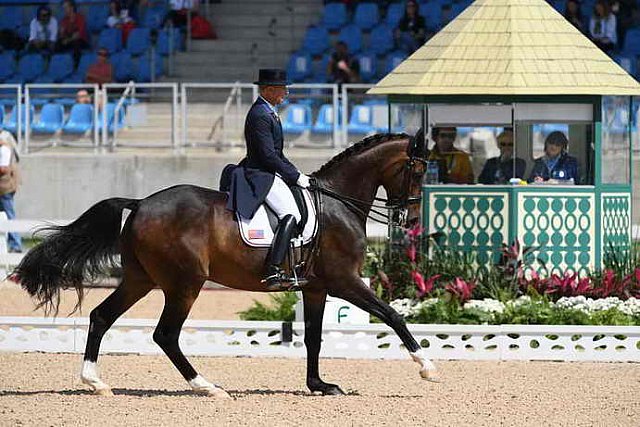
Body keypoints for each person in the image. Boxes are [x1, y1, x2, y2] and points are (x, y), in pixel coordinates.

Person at [225, 69, 311, 291]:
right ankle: (273, 269)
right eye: (282, 88)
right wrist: (293, 175)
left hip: (270, 169)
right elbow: (268, 156)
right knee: (291, 213)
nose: (286, 91)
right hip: (260, 173)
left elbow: (277, 154)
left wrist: (296, 173)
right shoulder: (260, 115)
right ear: (269, 90)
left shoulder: (269, 111)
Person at [0, 130, 21, 253]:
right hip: (3, 187)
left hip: (5, 187)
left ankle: (15, 245)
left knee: (9, 215)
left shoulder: (4, 149)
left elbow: (3, 169)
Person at [57, 0, 89, 64]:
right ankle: (59, 64)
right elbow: (62, 34)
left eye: (66, 8)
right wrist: (62, 35)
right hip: (69, 40)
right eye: (63, 8)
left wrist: (68, 40)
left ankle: (76, 66)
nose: (64, 10)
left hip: (81, 41)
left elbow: (78, 34)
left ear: (72, 8)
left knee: (76, 44)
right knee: (57, 44)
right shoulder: (64, 20)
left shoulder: (80, 18)